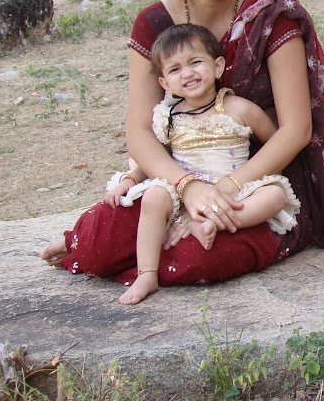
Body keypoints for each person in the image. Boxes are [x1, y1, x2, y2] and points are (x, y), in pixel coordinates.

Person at [40, 0, 324, 291]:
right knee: (98, 246)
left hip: (255, 185)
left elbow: (296, 130)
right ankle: (104, 247)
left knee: (198, 258)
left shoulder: (271, 16)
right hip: (181, 176)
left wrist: (224, 190)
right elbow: (141, 131)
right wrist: (190, 187)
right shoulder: (154, 24)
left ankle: (138, 258)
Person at [111, 23, 301, 304]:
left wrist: (259, 176)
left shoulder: (240, 109)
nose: (187, 73)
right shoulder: (167, 116)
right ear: (164, 83)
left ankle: (213, 222)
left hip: (234, 189)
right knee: (153, 197)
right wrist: (130, 178)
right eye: (175, 70)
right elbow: (155, 155)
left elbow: (275, 145)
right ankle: (147, 273)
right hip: (185, 189)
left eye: (195, 63)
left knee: (274, 195)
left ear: (218, 66)